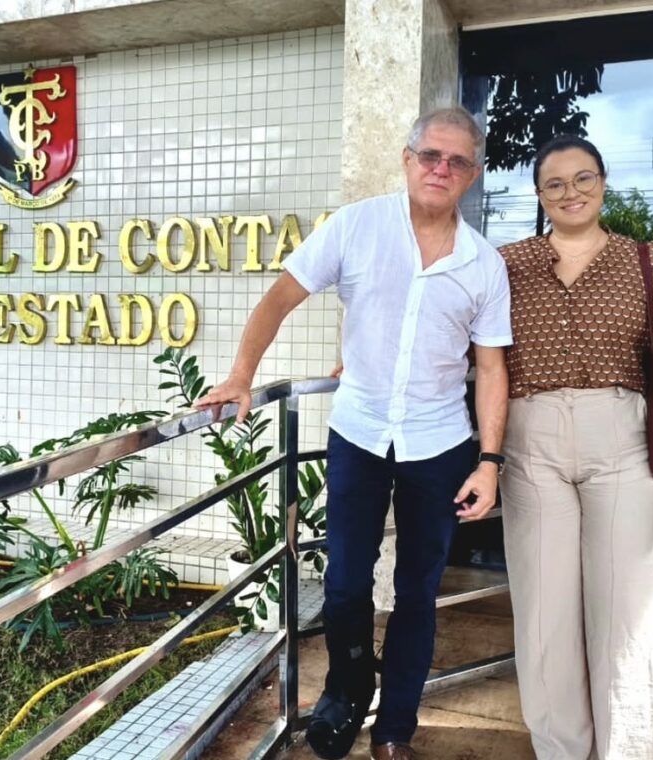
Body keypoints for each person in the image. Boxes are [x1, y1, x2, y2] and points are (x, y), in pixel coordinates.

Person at [196, 106, 512, 760]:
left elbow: (490, 368)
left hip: (439, 443)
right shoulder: (357, 226)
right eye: (430, 155)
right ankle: (347, 689)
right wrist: (241, 376)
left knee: (418, 592)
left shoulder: (483, 263)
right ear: (407, 158)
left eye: (457, 161)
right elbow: (279, 297)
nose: (441, 168)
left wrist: (489, 461)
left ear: (473, 174)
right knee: (344, 582)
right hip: (361, 433)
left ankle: (395, 729)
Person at [498, 134, 653, 760]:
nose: (570, 192)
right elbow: (452, 330)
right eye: (554, 183)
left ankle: (629, 750)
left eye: (583, 178)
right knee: (544, 613)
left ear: (603, 183)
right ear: (539, 195)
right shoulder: (507, 263)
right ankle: (561, 750)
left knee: (626, 613)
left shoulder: (645, 262)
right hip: (531, 442)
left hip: (621, 441)